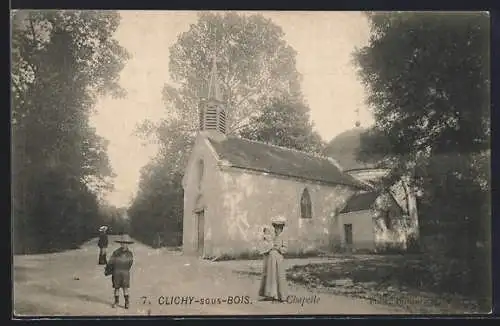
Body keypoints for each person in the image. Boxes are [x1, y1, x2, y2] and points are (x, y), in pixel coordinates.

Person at [258, 216, 288, 302]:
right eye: (275, 227)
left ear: (281, 228)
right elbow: (267, 244)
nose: (276, 229)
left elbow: (285, 249)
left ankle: (280, 296)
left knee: (278, 276)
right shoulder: (273, 236)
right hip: (270, 260)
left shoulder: (283, 237)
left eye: (278, 228)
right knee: (270, 277)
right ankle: (270, 295)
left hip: (278, 260)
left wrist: (277, 249)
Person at [106, 234, 134, 309]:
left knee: (125, 288)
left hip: (125, 272)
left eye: (125, 243)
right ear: (120, 243)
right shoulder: (116, 252)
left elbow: (130, 262)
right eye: (122, 243)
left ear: (128, 244)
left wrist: (126, 269)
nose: (124, 245)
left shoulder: (130, 253)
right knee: (116, 288)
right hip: (116, 272)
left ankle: (127, 302)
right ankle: (116, 302)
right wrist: (109, 269)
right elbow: (111, 262)